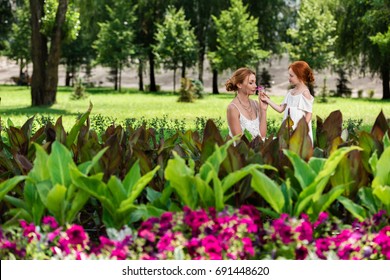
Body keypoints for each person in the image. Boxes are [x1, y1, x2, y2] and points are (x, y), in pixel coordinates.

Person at [262, 61, 315, 144]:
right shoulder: (290, 93)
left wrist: (300, 129)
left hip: (299, 131)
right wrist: (267, 100)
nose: (289, 78)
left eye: (291, 76)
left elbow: (309, 114)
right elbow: (280, 109)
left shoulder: (305, 93)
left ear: (300, 76)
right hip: (288, 128)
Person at [226, 67, 268, 142]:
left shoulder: (255, 104)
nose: (255, 86)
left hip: (258, 147)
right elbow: (239, 142)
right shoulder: (233, 108)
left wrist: (263, 110)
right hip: (242, 151)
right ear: (239, 85)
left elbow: (263, 135)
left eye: (255, 82)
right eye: (251, 83)